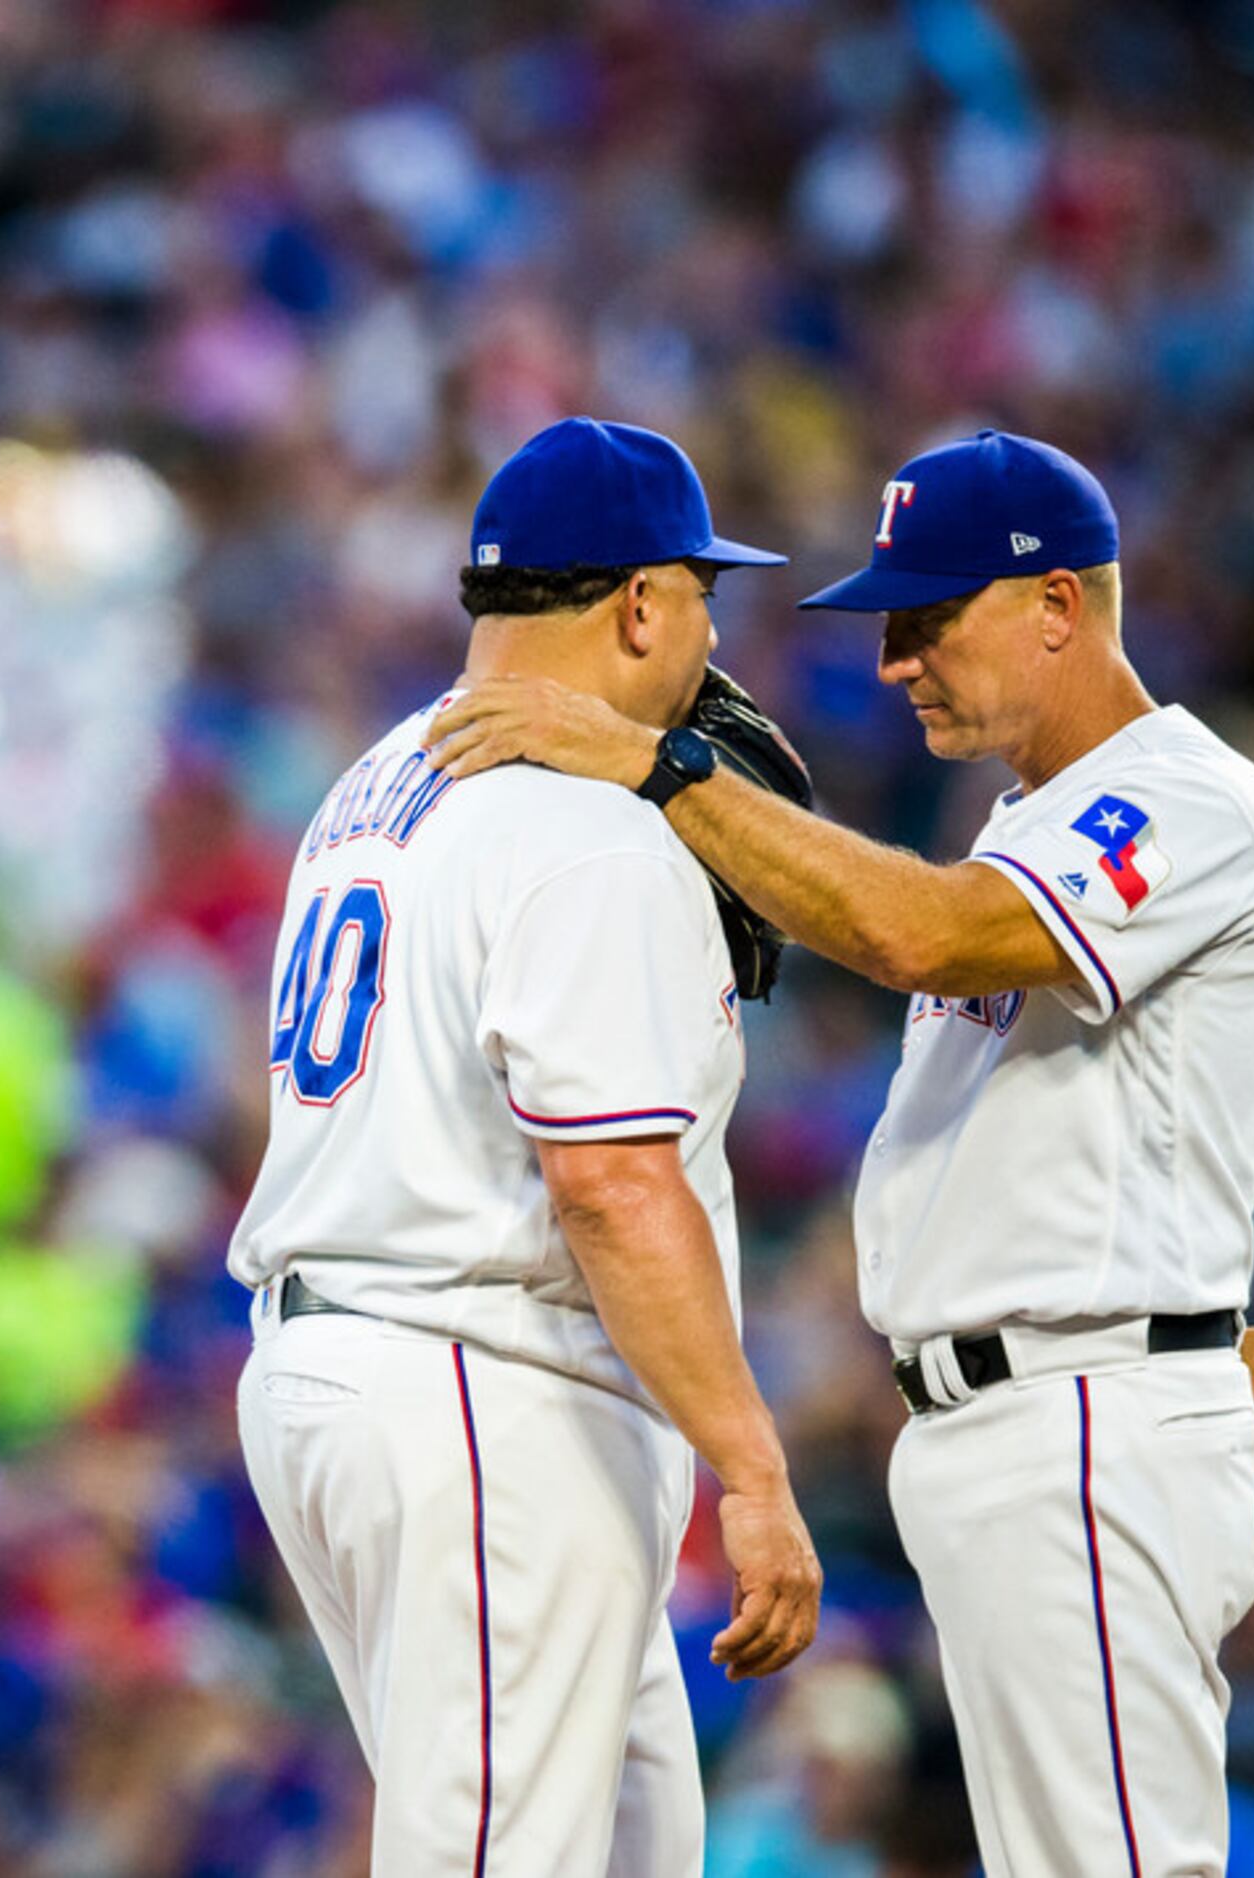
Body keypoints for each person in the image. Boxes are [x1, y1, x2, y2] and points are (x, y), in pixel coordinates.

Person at [426, 429, 1254, 1877]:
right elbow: (1076, 1143)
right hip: (1043, 1409)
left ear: (1055, 604)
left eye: (929, 616)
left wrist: (658, 768)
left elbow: (918, 932)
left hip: (1080, 1430)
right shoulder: (1028, 822)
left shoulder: (1182, 793)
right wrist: (1185, 1333)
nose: (892, 658)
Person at [230, 417, 823, 1876]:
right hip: (481, 1386)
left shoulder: (371, 780)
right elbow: (613, 1183)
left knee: (626, 1841)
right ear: (634, 603)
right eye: (699, 593)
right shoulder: (593, 827)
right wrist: (751, 1466)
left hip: (351, 1360)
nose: (708, 632)